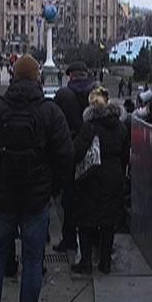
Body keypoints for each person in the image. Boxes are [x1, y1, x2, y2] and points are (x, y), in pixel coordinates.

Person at [0, 54, 73, 302]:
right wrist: (53, 189)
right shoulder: (49, 112)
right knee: (32, 259)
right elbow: (65, 154)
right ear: (37, 78)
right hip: (36, 199)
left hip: (1, 198)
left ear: (13, 77)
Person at [71, 87, 129, 274]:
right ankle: (105, 262)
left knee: (86, 219)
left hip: (92, 176)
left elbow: (77, 151)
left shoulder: (89, 127)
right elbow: (125, 153)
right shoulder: (120, 126)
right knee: (108, 221)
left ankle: (86, 261)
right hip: (114, 174)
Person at [52, 61, 95, 253]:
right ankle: (93, 242)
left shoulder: (63, 95)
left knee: (69, 198)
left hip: (68, 151)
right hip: (93, 152)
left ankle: (68, 239)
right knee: (91, 197)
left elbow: (54, 125)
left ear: (70, 76)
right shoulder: (96, 94)